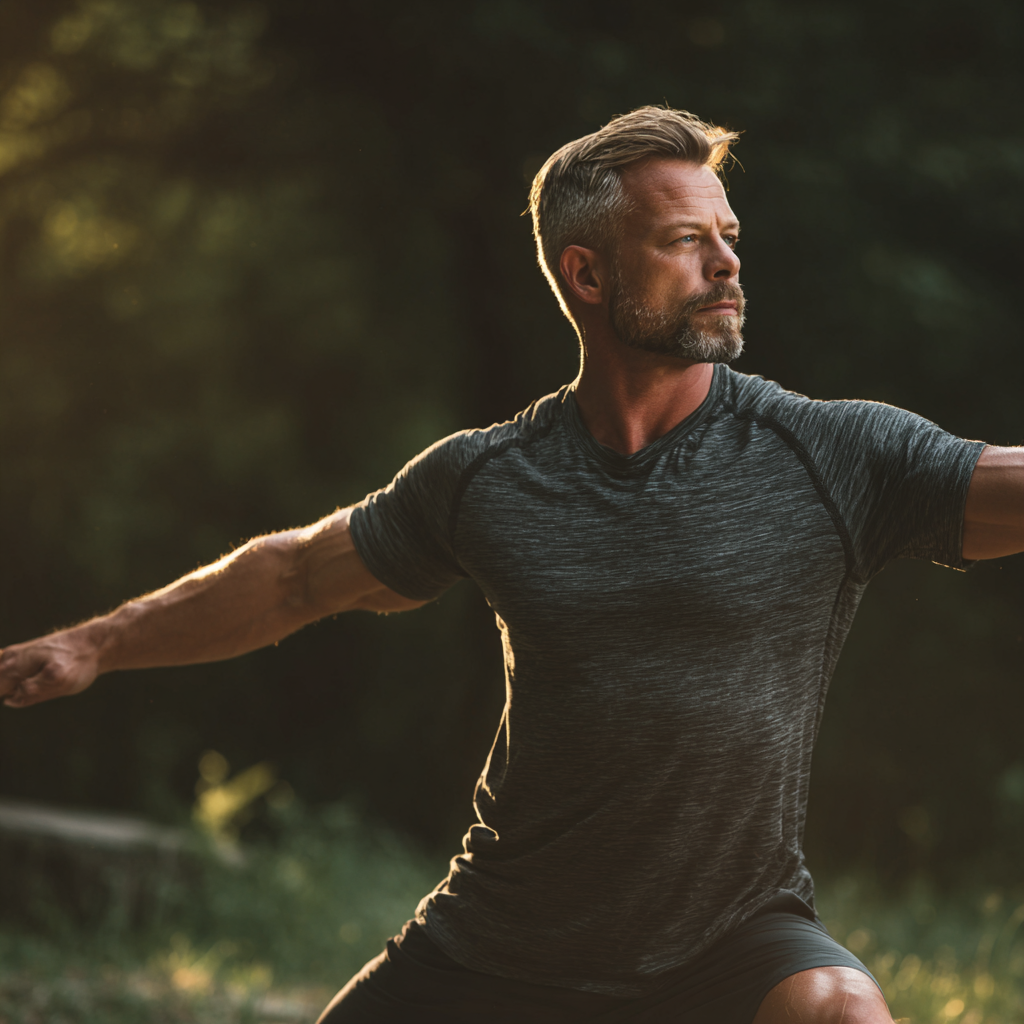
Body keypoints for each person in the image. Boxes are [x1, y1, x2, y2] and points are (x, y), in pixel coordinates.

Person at [1, 107, 1021, 1023]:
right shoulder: (487, 478)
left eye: (729, 239)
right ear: (586, 274)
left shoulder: (828, 455)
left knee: (840, 1006)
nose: (725, 264)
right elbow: (295, 577)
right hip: (497, 949)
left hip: (728, 942)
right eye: (683, 242)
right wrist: (92, 642)